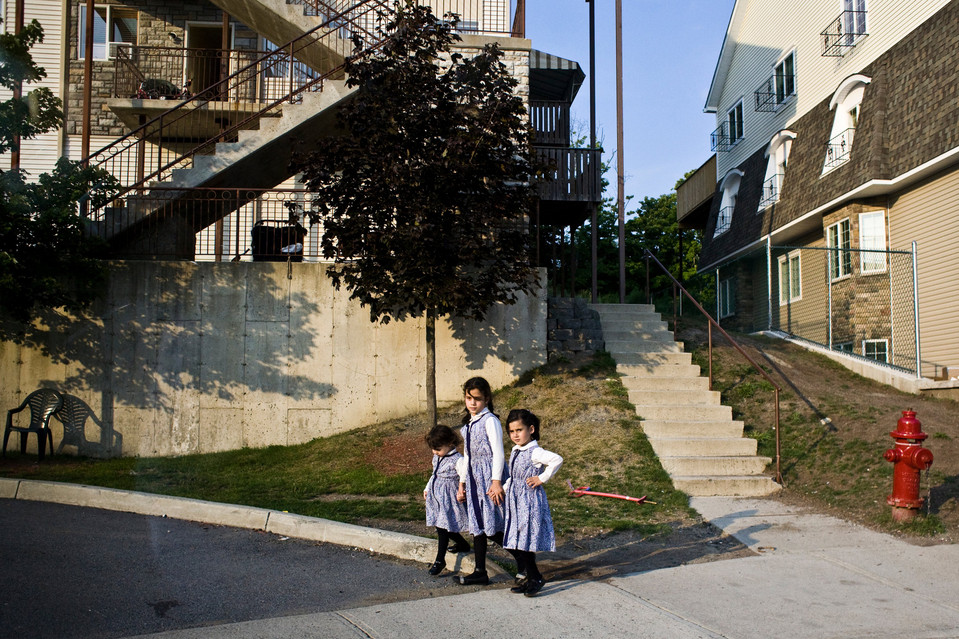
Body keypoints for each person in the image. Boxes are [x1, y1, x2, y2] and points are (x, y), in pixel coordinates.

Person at [502, 408, 563, 597]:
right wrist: (503, 489)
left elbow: (556, 460)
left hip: (528, 501)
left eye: (519, 430)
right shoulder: (516, 450)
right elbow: (514, 476)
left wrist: (541, 478)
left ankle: (535, 577)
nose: (515, 435)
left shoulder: (535, 452)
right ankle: (530, 576)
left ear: (531, 429)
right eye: (512, 431)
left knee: (525, 541)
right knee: (518, 540)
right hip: (515, 500)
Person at [456, 376, 507, 586]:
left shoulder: (490, 421)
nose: (472, 403)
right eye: (469, 398)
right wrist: (462, 482)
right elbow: (467, 456)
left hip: (489, 477)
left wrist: (496, 482)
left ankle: (524, 563)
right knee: (478, 524)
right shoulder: (469, 423)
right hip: (474, 478)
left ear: (486, 399)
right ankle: (480, 571)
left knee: (492, 525)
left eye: (477, 398)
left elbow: (499, 453)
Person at [423, 425, 471, 576]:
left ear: (450, 443)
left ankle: (440, 559)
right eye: (433, 449)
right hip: (437, 498)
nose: (435, 452)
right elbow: (434, 474)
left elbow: (465, 475)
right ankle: (462, 543)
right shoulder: (438, 457)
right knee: (441, 525)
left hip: (449, 499)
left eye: (438, 449)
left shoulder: (458, 460)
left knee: (443, 527)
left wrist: (461, 489)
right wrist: (427, 487)